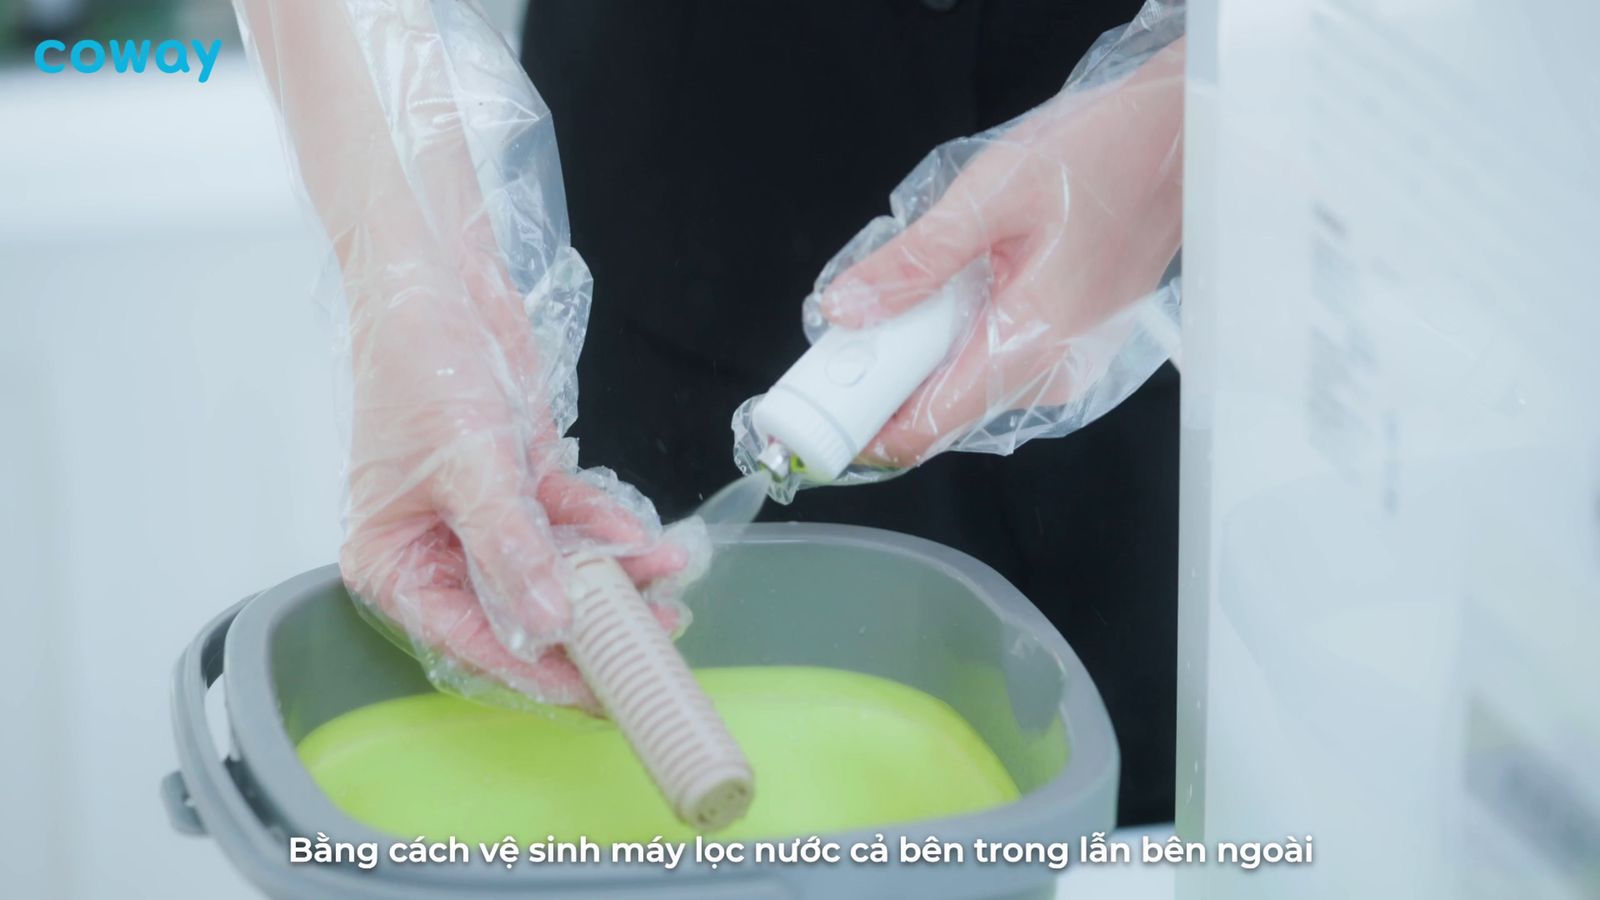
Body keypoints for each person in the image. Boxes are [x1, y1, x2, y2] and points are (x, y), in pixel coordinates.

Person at [231, 0, 1183, 825]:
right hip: (681, 213)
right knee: (597, 774)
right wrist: (411, 273)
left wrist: (1184, 114)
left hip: (1157, 310)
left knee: (1135, 801)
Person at [520, 0, 1181, 825]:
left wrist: (1184, 100)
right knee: (654, 744)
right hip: (696, 164)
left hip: (1117, 216)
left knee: (1107, 800)